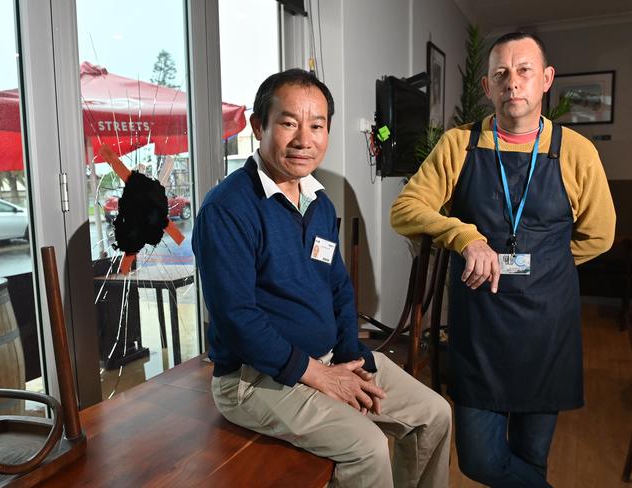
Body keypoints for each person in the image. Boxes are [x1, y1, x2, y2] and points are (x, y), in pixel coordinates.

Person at [193, 68, 451, 487]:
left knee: (434, 414)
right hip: (254, 380)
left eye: (317, 126)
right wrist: (320, 375)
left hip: (331, 358)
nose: (303, 139)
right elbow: (237, 319)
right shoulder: (227, 209)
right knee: (367, 448)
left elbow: (338, 289)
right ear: (259, 126)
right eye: (288, 122)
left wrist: (351, 354)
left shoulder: (318, 201)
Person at [391, 32, 616, 487]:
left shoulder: (575, 151)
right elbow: (405, 209)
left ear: (546, 79)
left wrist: (548, 264)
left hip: (547, 330)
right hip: (480, 331)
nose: (513, 82)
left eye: (524, 70)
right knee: (479, 460)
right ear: (486, 87)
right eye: (501, 74)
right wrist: (463, 237)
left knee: (532, 459)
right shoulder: (460, 144)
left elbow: (600, 235)